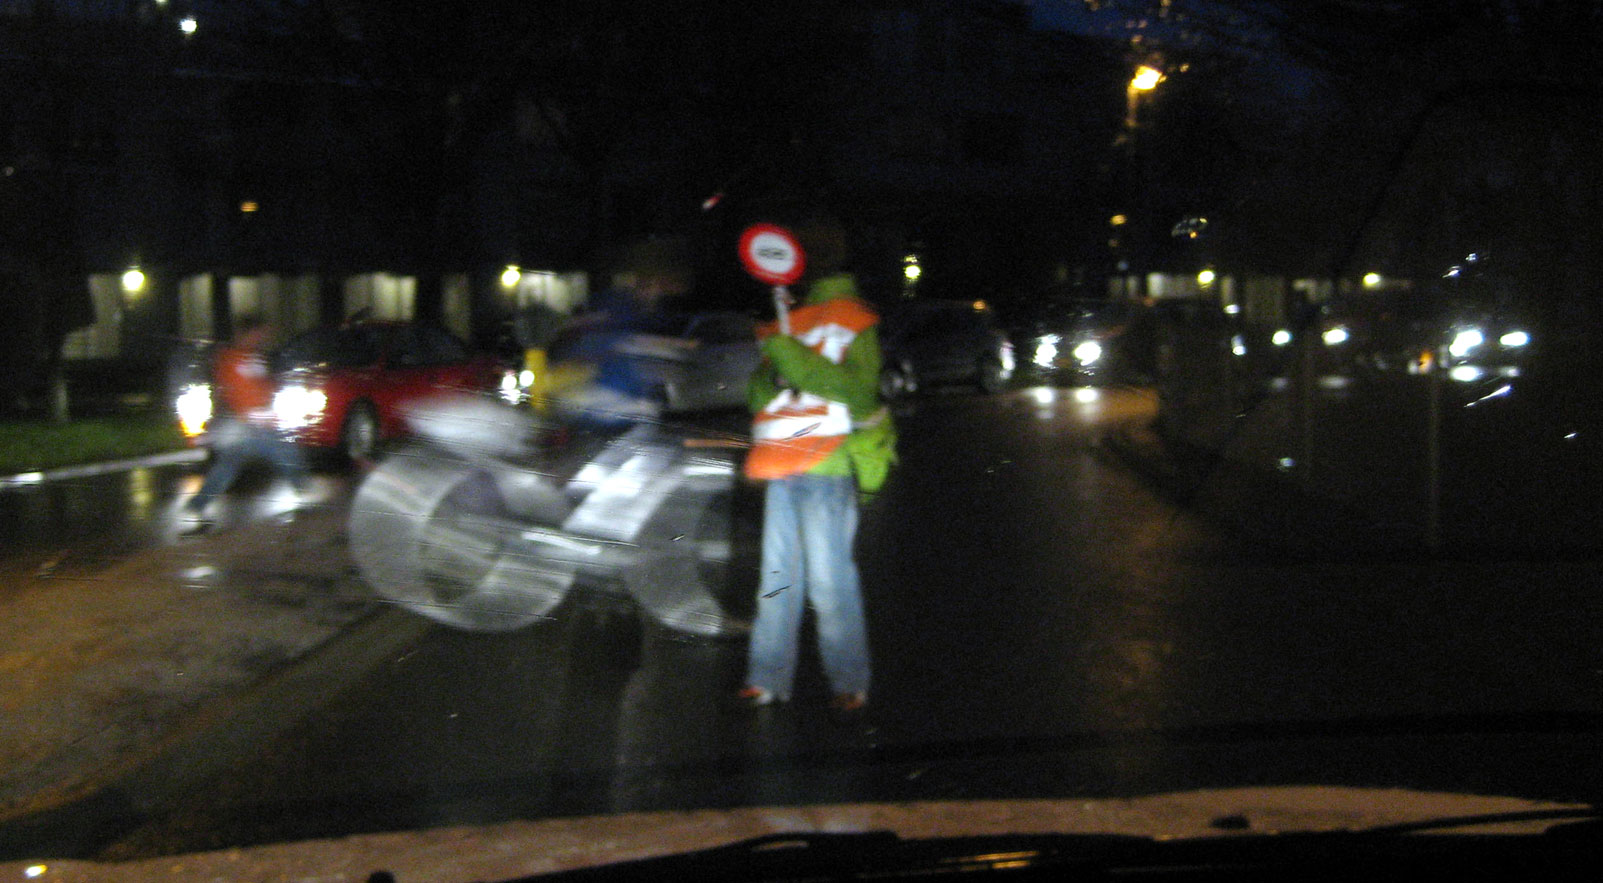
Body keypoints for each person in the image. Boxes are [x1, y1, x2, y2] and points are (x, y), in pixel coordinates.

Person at [739, 217, 885, 715]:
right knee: (777, 578)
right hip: (784, 465)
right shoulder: (790, 319)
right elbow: (758, 395)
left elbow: (857, 393)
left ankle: (849, 680)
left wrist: (791, 359)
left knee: (828, 581)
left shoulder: (852, 317)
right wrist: (775, 372)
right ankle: (766, 677)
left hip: (827, 467)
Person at [180, 316, 308, 532]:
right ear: (249, 333)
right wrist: (262, 416)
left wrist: (270, 405)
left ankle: (198, 505)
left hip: (248, 424)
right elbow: (241, 394)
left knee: (228, 466)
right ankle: (306, 492)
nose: (264, 337)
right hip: (245, 425)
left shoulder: (250, 357)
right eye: (261, 332)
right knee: (285, 451)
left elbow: (261, 387)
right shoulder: (233, 359)